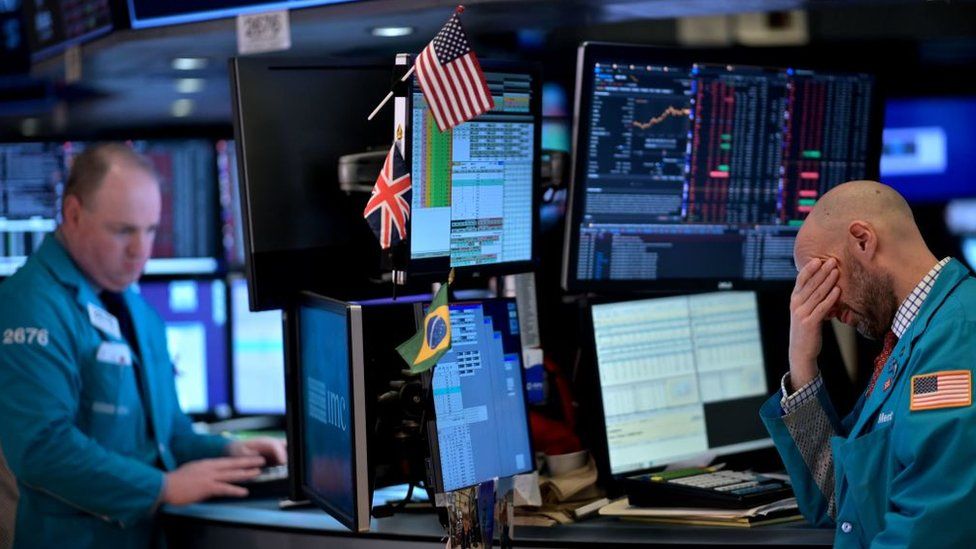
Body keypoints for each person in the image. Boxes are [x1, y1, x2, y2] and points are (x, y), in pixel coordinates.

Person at [0, 143, 287, 548]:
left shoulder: (134, 307)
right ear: (73, 214)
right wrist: (161, 487)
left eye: (150, 229)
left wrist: (225, 452)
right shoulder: (30, 305)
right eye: (123, 231)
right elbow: (40, 448)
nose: (141, 251)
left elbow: (167, 436)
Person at [760, 180, 976, 547]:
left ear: (863, 240)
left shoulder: (959, 335)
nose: (823, 309)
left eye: (820, 277)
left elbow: (931, 529)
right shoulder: (911, 342)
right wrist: (802, 364)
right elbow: (841, 502)